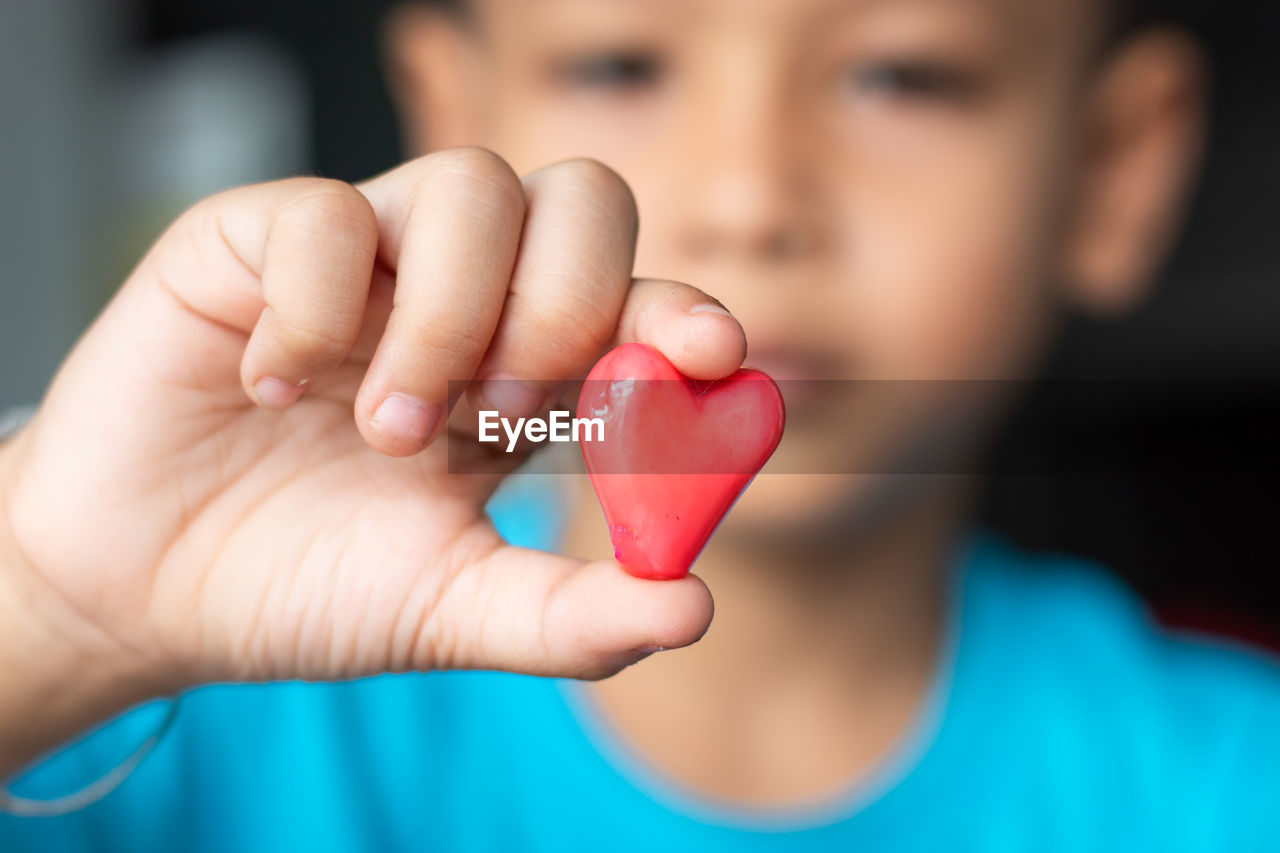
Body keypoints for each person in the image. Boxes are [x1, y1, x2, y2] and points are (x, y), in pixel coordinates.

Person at [2, 0, 1277, 849]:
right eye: (621, 63)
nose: (748, 196)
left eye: (903, 75)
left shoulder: (1231, 780)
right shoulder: (157, 695)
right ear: (450, 108)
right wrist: (52, 613)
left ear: (1114, 164)